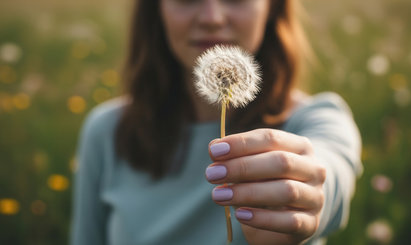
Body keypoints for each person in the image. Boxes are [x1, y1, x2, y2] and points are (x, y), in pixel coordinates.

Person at [70, 0, 362, 244]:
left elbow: (329, 170)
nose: (212, 18)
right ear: (156, 9)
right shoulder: (107, 132)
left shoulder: (318, 121)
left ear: (272, 7)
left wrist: (305, 194)